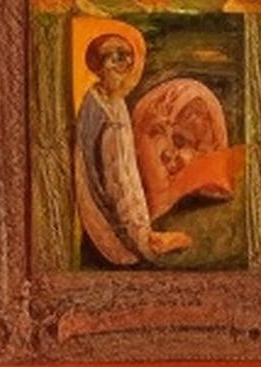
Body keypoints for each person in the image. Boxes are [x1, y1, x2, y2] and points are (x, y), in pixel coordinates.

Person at [73, 33, 190, 265]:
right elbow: (118, 182)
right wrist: (143, 240)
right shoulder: (106, 115)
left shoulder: (107, 99)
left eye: (126, 57)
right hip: (106, 221)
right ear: (100, 65)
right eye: (114, 58)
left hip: (110, 208)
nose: (123, 65)